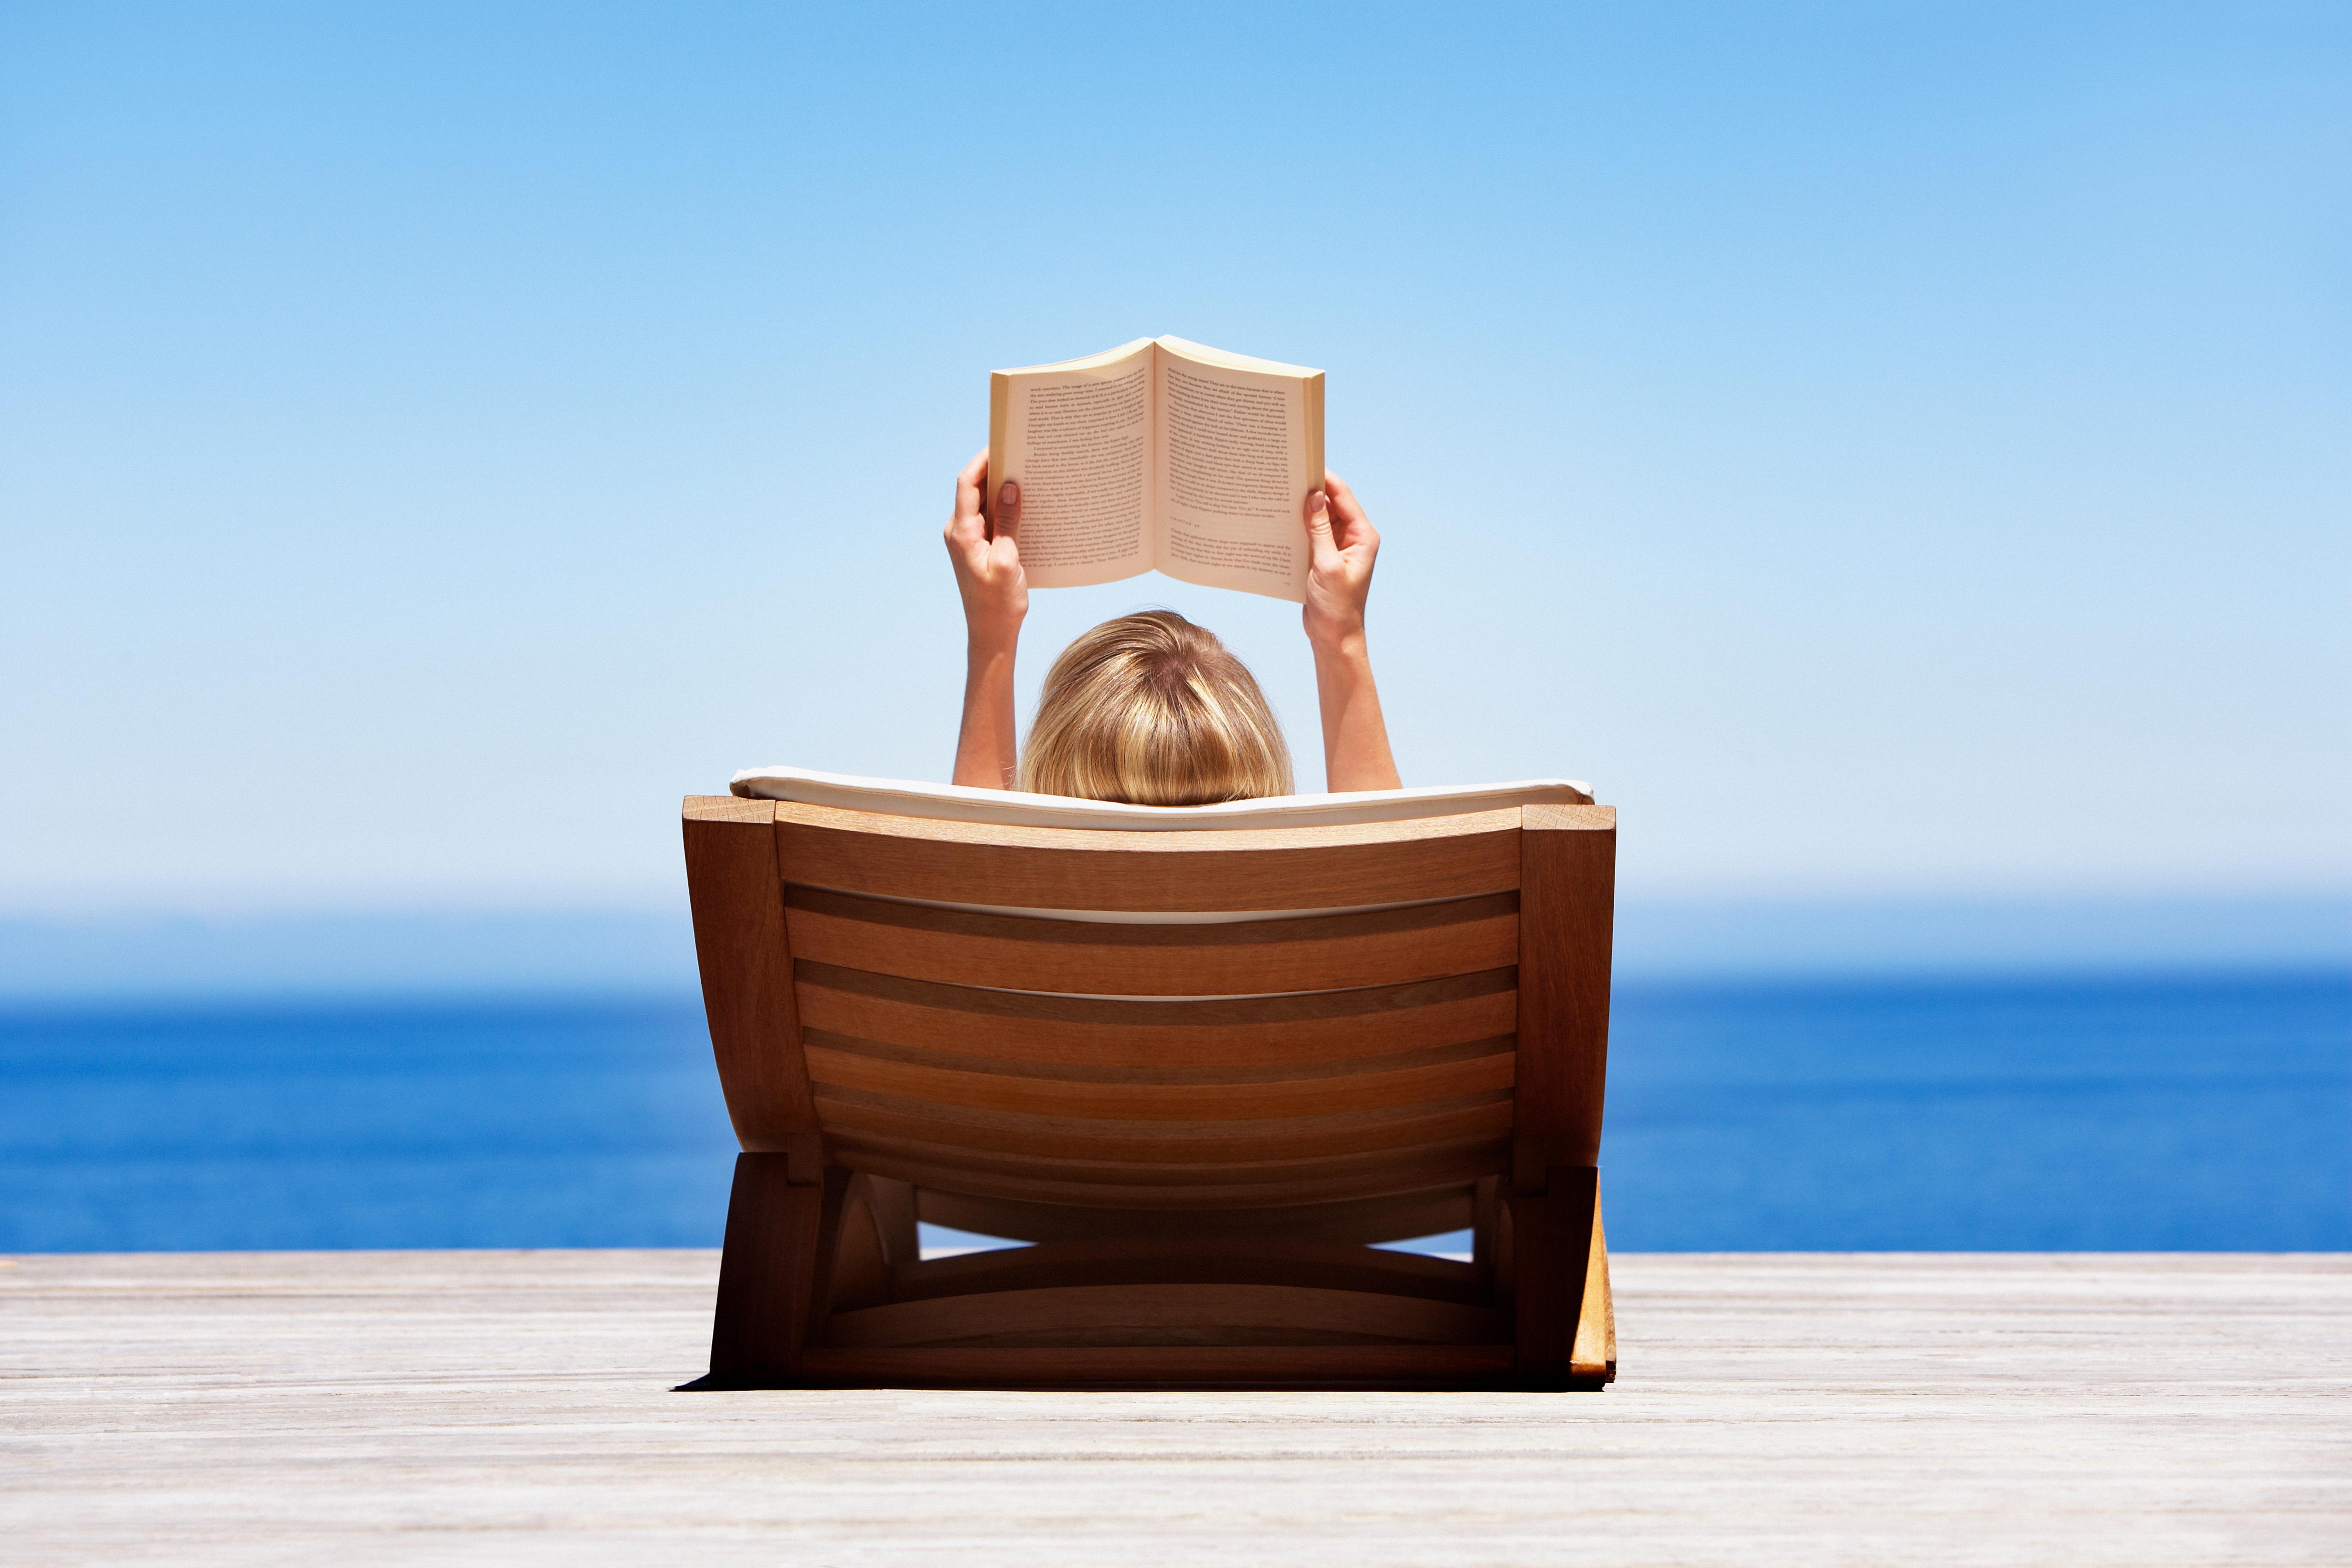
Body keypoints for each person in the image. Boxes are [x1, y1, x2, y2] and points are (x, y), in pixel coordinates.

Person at [942, 450, 1401, 802]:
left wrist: (992, 641)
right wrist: (1341, 641)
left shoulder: (1006, 918)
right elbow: (1386, 873)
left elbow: (975, 865)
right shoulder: (1328, 919)